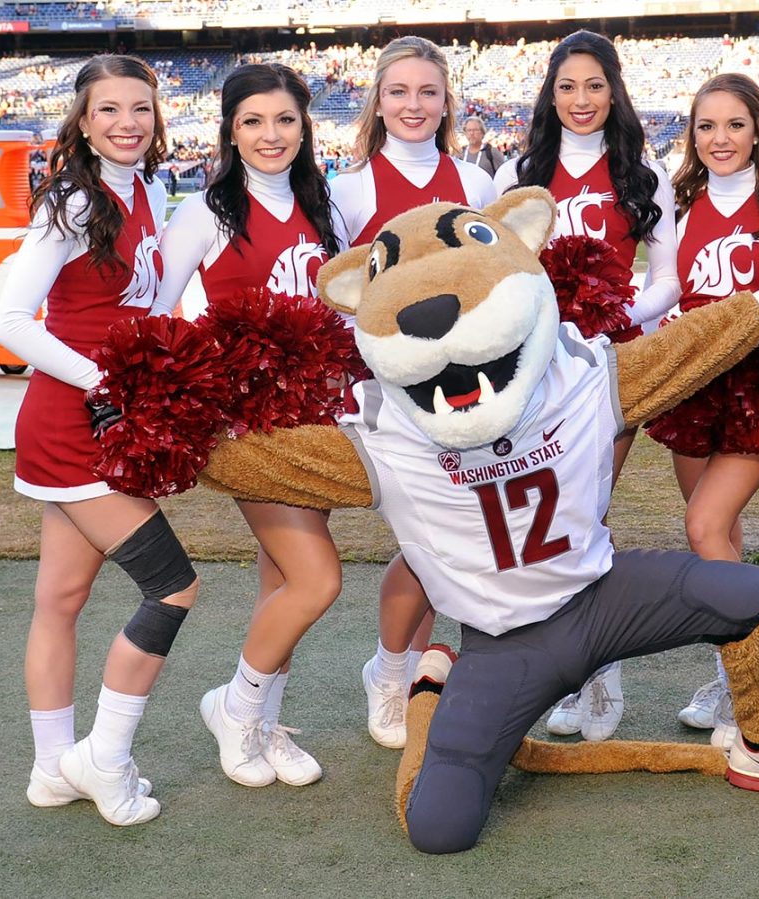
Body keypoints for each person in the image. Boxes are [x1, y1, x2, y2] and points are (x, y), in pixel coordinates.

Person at [0, 54, 198, 826]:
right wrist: (103, 381)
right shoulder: (73, 200)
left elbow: (144, 304)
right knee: (172, 585)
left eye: (140, 107)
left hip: (108, 419)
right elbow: (9, 320)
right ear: (81, 120)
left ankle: (51, 770)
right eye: (108, 109)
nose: (127, 123)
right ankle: (102, 759)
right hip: (72, 424)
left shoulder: (145, 189)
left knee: (61, 597)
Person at [493, 29, 682, 742]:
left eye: (594, 85)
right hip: (534, 369)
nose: (580, 99)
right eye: (566, 86)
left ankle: (601, 673)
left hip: (607, 363)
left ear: (614, 91)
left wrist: (612, 317)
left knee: (589, 511)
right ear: (550, 94)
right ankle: (561, 668)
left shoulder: (643, 173)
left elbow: (668, 278)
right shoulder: (517, 174)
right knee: (543, 519)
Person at [157, 63, 342, 787]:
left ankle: (265, 720)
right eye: (254, 122)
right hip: (250, 427)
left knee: (282, 579)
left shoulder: (321, 205)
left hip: (314, 418)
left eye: (285, 120)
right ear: (230, 132)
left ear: (304, 127)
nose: (271, 135)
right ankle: (234, 708)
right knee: (317, 578)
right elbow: (157, 314)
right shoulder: (206, 211)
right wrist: (206, 389)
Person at [330, 35, 496, 753]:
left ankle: (443, 675)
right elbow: (339, 295)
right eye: (398, 91)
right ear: (377, 101)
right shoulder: (349, 190)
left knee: (467, 538)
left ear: (446, 101)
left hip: (466, 391)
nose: (413, 105)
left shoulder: (476, 182)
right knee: (425, 541)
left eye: (428, 92)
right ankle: (391, 672)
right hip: (392, 392)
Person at [647, 74, 759, 741]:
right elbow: (667, 289)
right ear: (692, 134)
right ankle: (729, 680)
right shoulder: (677, 208)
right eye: (706, 126)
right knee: (722, 535)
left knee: (703, 526)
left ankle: (755, 684)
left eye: (735, 125)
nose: (720, 139)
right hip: (694, 390)